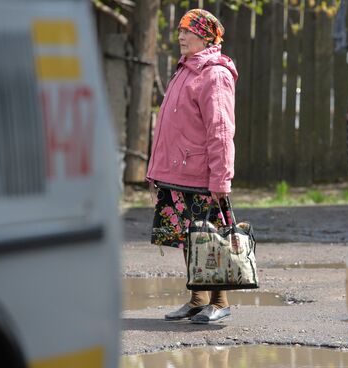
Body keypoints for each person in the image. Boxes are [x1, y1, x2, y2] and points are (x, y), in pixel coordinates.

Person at [146, 8, 238, 324]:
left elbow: (221, 130)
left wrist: (221, 180)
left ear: (205, 36)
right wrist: (156, 170)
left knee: (209, 238)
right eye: (181, 31)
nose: (181, 36)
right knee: (190, 238)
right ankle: (198, 300)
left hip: (202, 175)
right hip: (179, 173)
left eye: (189, 31)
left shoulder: (215, 74)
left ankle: (220, 301)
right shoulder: (186, 70)